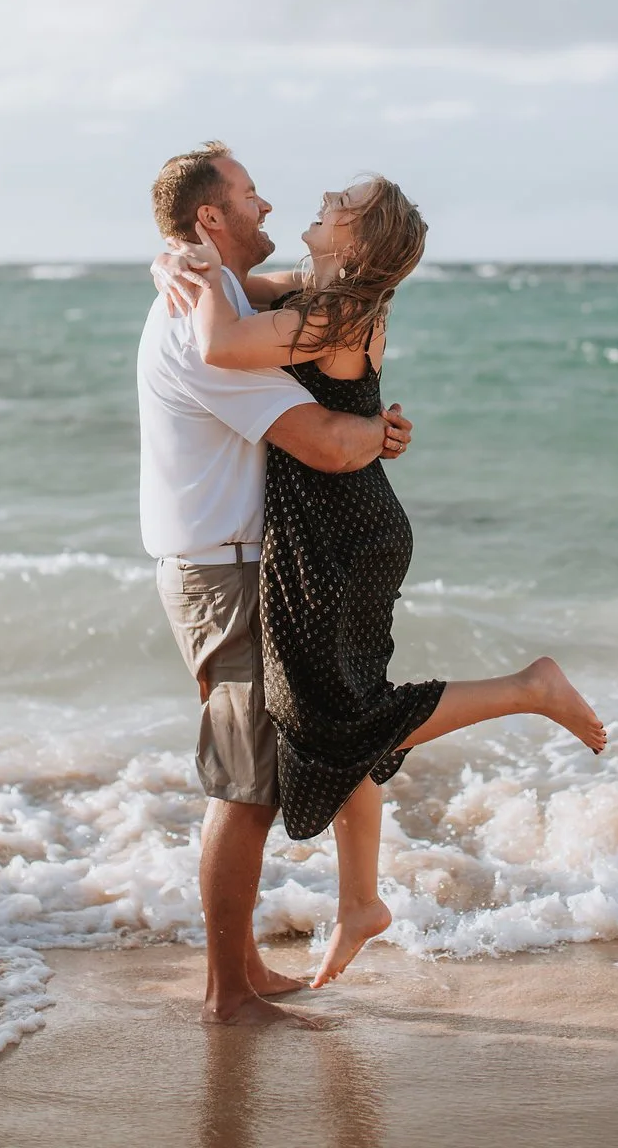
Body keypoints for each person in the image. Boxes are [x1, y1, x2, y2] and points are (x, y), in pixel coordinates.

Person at [158, 172, 607, 989]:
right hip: (346, 526)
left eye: (341, 203)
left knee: (339, 717)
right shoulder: (325, 293)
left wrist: (193, 283)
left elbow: (222, 340)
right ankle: (360, 901)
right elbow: (241, 289)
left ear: (356, 242)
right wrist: (181, 269)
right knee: (339, 705)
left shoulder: (334, 312)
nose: (322, 198)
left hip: (339, 534)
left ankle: (528, 688)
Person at [137, 142, 414, 1029]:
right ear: (212, 218)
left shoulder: (215, 286)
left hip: (230, 564)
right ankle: (227, 995)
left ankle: (245, 964)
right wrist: (377, 433)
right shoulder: (204, 319)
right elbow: (327, 444)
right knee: (245, 785)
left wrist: (185, 255)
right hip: (225, 570)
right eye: (251, 198)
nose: (270, 207)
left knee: (266, 765)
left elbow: (309, 289)